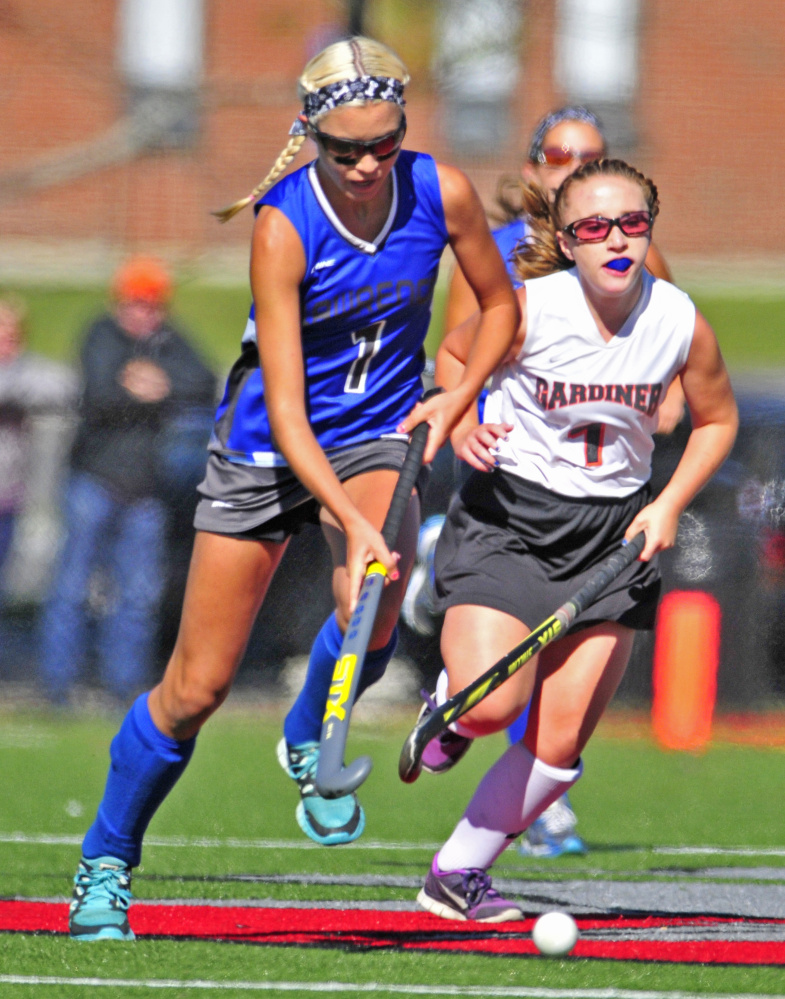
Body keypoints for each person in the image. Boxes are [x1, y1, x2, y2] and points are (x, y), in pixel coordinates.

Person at [67, 35, 519, 942]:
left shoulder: (441, 190)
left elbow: (500, 305)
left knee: (375, 604)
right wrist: (352, 518)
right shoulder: (284, 223)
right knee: (195, 688)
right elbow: (284, 413)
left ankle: (311, 731)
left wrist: (451, 398)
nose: (363, 165)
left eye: (382, 143)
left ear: (402, 127)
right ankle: (107, 860)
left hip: (377, 434)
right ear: (309, 134)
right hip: (267, 452)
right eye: (343, 147)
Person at [413, 158, 738, 921]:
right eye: (593, 227)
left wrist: (667, 506)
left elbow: (716, 419)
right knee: (495, 706)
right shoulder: (529, 308)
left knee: (557, 749)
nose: (615, 240)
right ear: (565, 240)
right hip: (511, 519)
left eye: (631, 223)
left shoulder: (678, 319)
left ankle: (455, 873)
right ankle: (454, 707)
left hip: (613, 533)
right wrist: (461, 419)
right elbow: (455, 356)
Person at [37, 257, 217, 706]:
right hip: (92, 482)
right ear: (121, 302)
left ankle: (124, 688)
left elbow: (205, 383)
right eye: (137, 303)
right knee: (72, 587)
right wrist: (151, 395)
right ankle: (57, 687)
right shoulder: (100, 334)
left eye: (153, 304)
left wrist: (159, 386)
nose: (145, 312)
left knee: (137, 595)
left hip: (145, 490)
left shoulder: (169, 342)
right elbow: (99, 394)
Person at [0, 297, 77, 603]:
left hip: (7, 493)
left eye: (11, 336)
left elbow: (64, 387)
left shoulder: (27, 370)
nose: (5, 342)